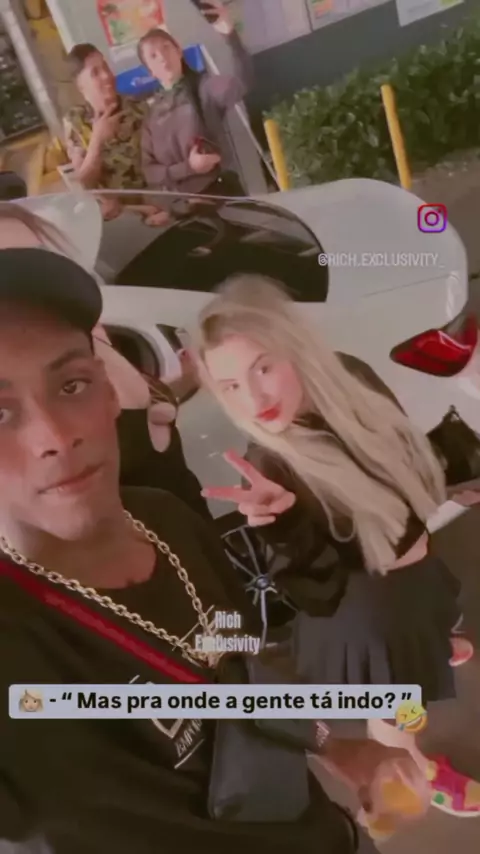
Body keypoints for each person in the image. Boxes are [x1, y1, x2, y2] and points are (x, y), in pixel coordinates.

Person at [0, 247, 427, 854]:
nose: (55, 435)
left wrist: (336, 744)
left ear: (109, 390)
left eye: (71, 385)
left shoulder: (168, 520)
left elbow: (239, 667)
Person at [193, 274, 479, 818]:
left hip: (411, 577)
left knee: (430, 628)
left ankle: (433, 642)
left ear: (294, 347)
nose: (254, 399)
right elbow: (319, 595)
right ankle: (414, 772)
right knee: (398, 711)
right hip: (371, 616)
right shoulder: (271, 465)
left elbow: (398, 467)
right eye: (230, 385)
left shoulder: (350, 377)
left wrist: (453, 485)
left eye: (262, 368)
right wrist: (282, 526)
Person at [0, 201, 209, 520]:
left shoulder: (88, 340)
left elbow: (140, 412)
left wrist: (186, 380)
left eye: (36, 259)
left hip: (195, 534)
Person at [138, 0, 252, 196]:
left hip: (220, 196)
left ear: (178, 51)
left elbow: (242, 82)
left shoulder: (204, 87)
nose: (163, 57)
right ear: (150, 71)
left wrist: (230, 34)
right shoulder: (152, 113)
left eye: (166, 47)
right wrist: (188, 168)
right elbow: (150, 172)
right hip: (181, 206)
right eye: (153, 56)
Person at [63, 43, 167, 225]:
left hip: (160, 204)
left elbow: (165, 160)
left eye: (105, 67)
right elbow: (84, 185)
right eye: (95, 73)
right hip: (121, 218)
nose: (106, 76)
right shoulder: (76, 122)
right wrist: (97, 139)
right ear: (80, 85)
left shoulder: (138, 107)